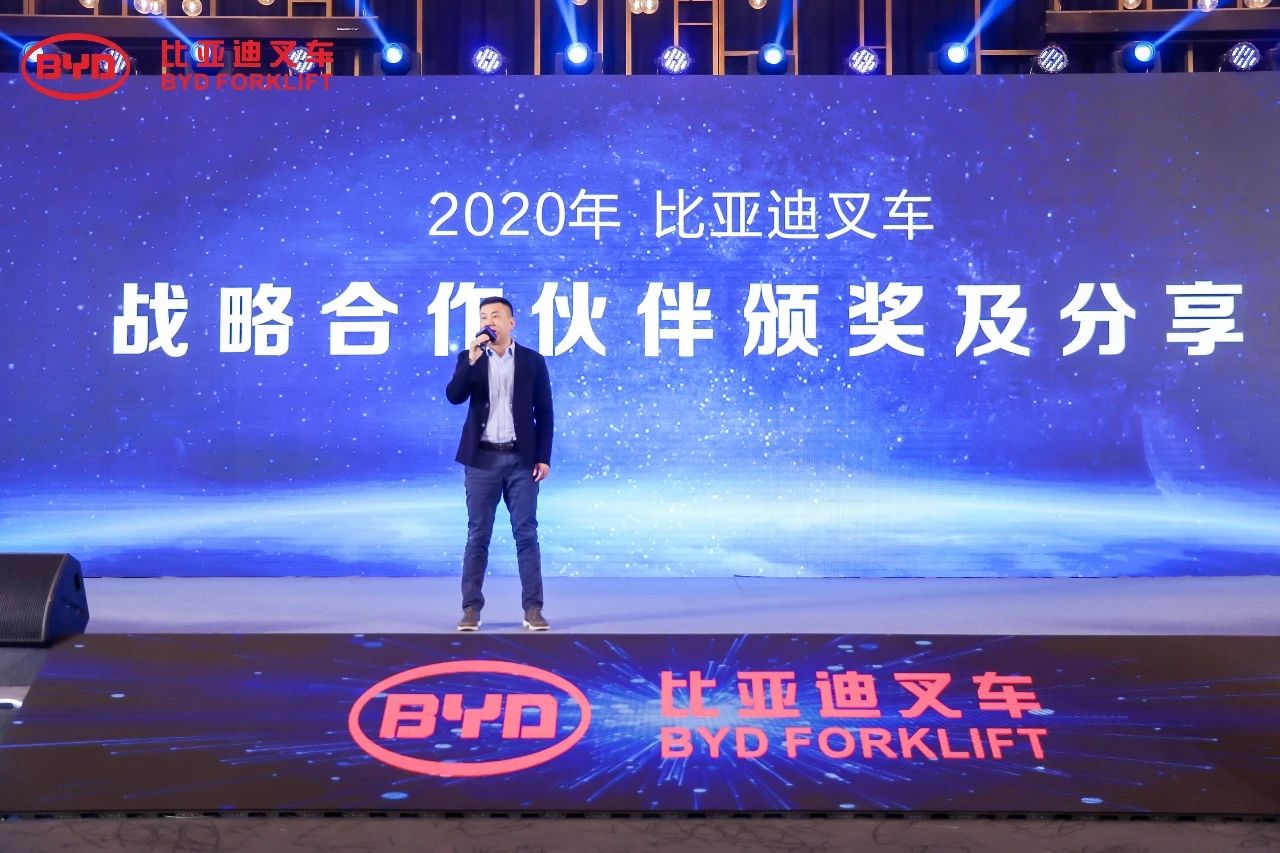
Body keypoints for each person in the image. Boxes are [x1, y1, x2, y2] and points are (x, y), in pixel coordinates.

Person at [444, 296, 554, 632]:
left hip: (522, 460)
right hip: (482, 460)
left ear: (511, 322)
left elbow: (545, 412)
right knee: (478, 535)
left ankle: (533, 609)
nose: (488, 321)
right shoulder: (471, 357)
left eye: (495, 315)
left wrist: (543, 457)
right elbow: (454, 396)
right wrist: (470, 361)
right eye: (483, 316)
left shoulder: (533, 361)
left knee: (526, 534)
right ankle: (470, 609)